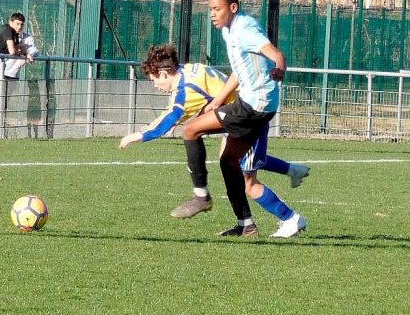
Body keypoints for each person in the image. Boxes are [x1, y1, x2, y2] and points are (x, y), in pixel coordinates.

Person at [119, 44, 310, 229]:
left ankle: (290, 218)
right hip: (237, 119)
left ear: (163, 73)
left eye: (154, 79)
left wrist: (138, 135)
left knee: (248, 183)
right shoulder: (192, 69)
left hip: (247, 121)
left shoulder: (185, 89)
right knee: (229, 164)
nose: (155, 85)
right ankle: (247, 223)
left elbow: (170, 117)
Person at [180, 0, 308, 238]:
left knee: (191, 130)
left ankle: (201, 197)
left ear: (233, 7)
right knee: (229, 163)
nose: (212, 14)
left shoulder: (244, 30)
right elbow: (240, 71)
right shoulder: (230, 30)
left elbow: (276, 54)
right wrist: (218, 100)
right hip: (256, 105)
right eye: (210, 9)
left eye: (217, 9)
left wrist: (279, 68)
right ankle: (246, 225)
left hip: (253, 106)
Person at [0, 12, 36, 80]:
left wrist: (27, 54)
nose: (20, 27)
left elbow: (20, 47)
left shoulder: (15, 33)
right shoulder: (7, 30)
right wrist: (22, 55)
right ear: (10, 22)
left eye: (21, 24)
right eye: (17, 24)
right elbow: (12, 51)